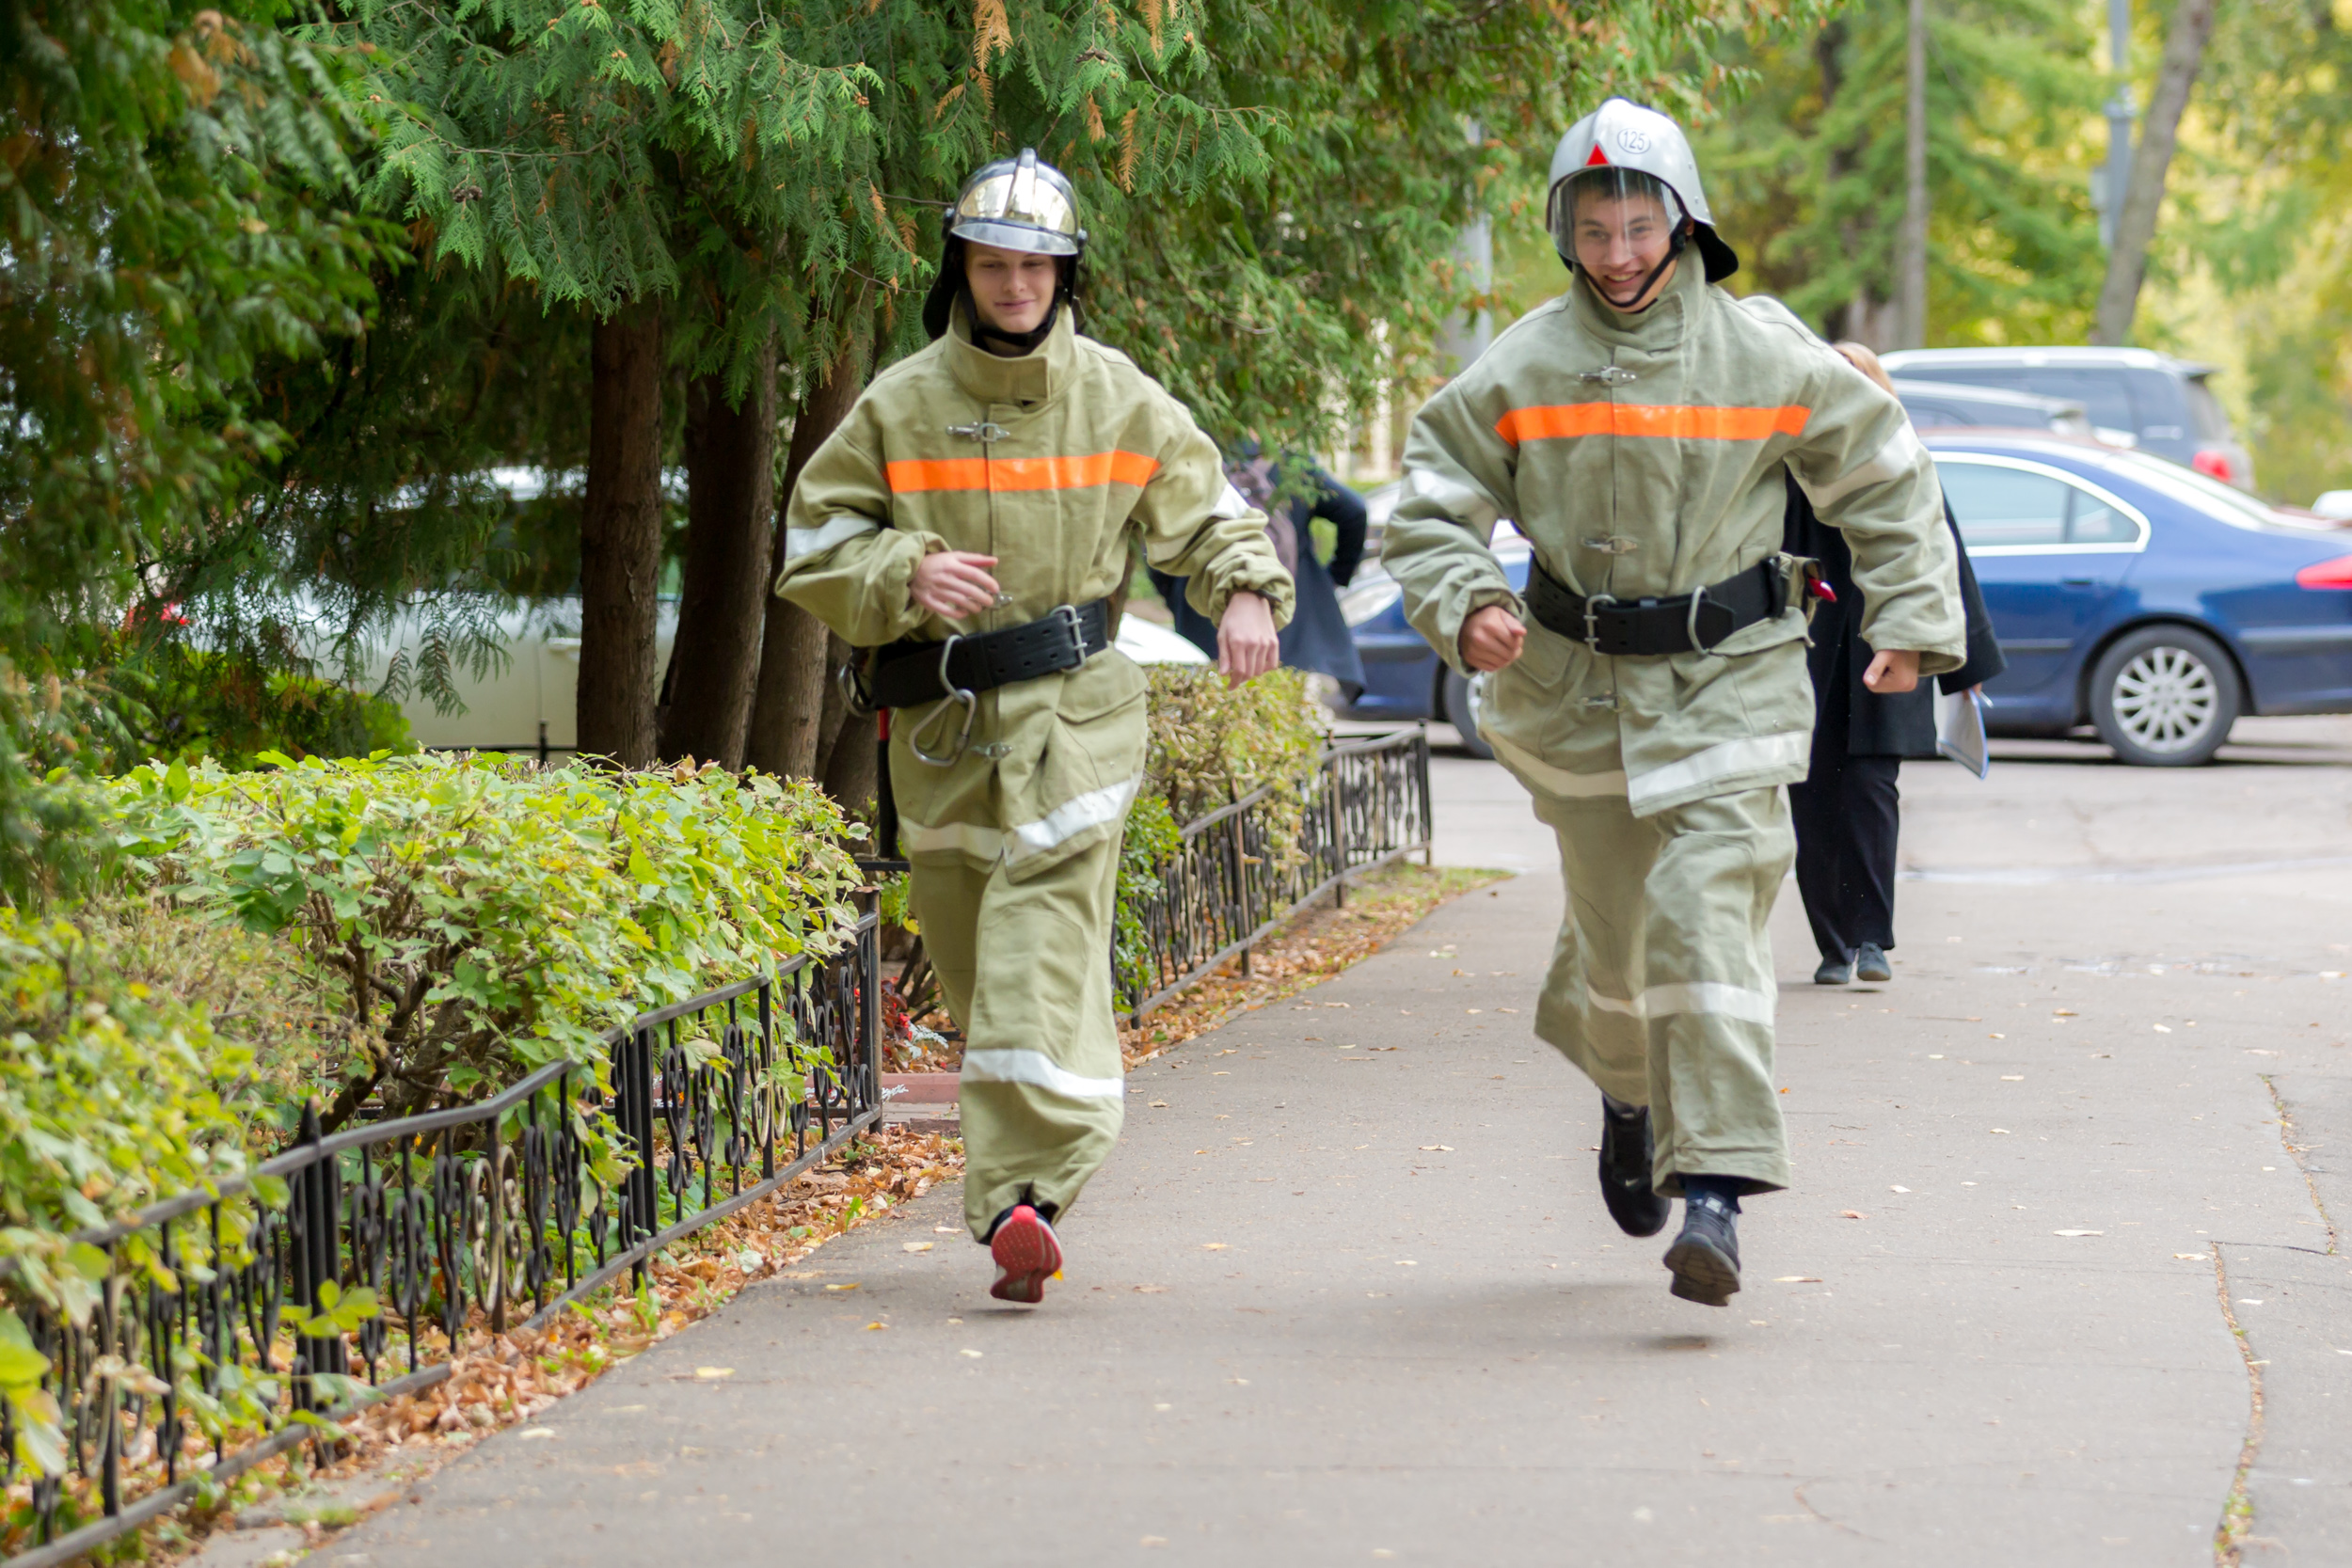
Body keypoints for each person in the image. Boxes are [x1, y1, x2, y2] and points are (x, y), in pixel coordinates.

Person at [1380, 100, 1964, 1307]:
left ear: (1684, 223)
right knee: (1619, 942)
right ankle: (1627, 1094)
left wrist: (1909, 621)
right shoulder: (1523, 364)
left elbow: (1884, 470)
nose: (1617, 255)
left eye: (1639, 228)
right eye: (1593, 231)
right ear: (1564, 232)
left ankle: (1714, 1191)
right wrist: (1464, 599)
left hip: (1731, 681)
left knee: (1707, 912)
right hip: (1576, 692)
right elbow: (1428, 499)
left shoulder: (1761, 352)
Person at [773, 150, 1293, 1305]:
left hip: (1078, 716)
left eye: (1036, 267)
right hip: (942, 726)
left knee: (1037, 937)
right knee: (974, 966)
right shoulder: (899, 403)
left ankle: (1026, 1194)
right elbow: (812, 548)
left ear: (1066, 276)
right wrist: (906, 571)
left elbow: (1208, 513)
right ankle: (1026, 1186)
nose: (1016, 285)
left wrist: (1247, 592)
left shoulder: (1117, 394)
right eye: (994, 264)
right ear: (960, 271)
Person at [1785, 341, 2008, 986]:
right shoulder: (1790, 465)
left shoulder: (1902, 462)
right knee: (1810, 796)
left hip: (1889, 646)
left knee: (1872, 791)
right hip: (1808, 649)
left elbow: (1944, 557)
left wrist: (1965, 667)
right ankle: (1832, 946)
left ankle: (1870, 939)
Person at [1152, 451, 1369, 698]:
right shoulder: (1290, 466)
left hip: (1206, 634)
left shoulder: (1188, 460)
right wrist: (1334, 578)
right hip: (1298, 639)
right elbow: (1354, 511)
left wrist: (1176, 595)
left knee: (1212, 712)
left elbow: (1158, 546)